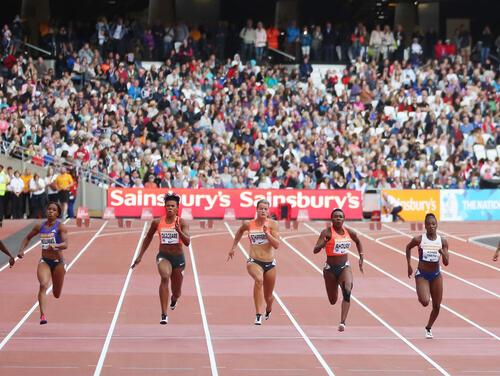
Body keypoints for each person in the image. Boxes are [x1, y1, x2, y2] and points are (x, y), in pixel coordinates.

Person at [131, 193, 190, 325]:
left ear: (177, 208)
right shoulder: (157, 222)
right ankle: (164, 314)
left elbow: (187, 242)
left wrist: (179, 231)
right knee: (164, 277)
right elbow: (148, 238)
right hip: (164, 256)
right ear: (164, 207)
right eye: (168, 205)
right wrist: (140, 256)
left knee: (177, 292)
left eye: (172, 206)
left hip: (178, 259)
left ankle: (174, 300)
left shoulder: (182, 222)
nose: (170, 208)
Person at [227, 199, 280, 325]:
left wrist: (267, 234)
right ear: (256, 210)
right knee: (259, 280)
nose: (263, 211)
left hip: (270, 263)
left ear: (268, 211)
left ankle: (269, 307)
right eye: (261, 208)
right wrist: (233, 247)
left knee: (269, 297)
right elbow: (239, 231)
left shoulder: (273, 224)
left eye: (265, 209)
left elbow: (277, 245)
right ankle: (258, 314)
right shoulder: (248, 224)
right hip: (254, 261)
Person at [313, 208, 364, 332]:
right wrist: (323, 243)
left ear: (344, 219)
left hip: (344, 267)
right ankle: (334, 289)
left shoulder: (349, 232)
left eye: (340, 217)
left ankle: (342, 322)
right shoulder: (326, 232)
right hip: (330, 270)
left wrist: (361, 256)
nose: (338, 219)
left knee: (347, 289)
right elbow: (315, 250)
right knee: (333, 300)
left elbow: (358, 242)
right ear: (332, 219)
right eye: (335, 216)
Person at [18, 202, 68, 324]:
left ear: (58, 213)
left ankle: (55, 290)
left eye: (54, 210)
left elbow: (66, 244)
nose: (50, 211)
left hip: (58, 263)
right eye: (49, 209)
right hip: (44, 261)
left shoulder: (61, 227)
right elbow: (27, 237)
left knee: (56, 294)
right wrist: (21, 250)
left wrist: (55, 246)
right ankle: (43, 315)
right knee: (43, 284)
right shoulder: (39, 226)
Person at [405, 213, 449, 339]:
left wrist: (443, 253)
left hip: (436, 275)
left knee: (436, 306)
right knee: (425, 302)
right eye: (429, 224)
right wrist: (409, 265)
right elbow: (408, 248)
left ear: (437, 225)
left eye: (433, 224)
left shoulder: (443, 241)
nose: (431, 226)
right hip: (422, 275)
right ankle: (422, 291)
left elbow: (446, 263)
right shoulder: (419, 239)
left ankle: (428, 328)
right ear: (425, 226)